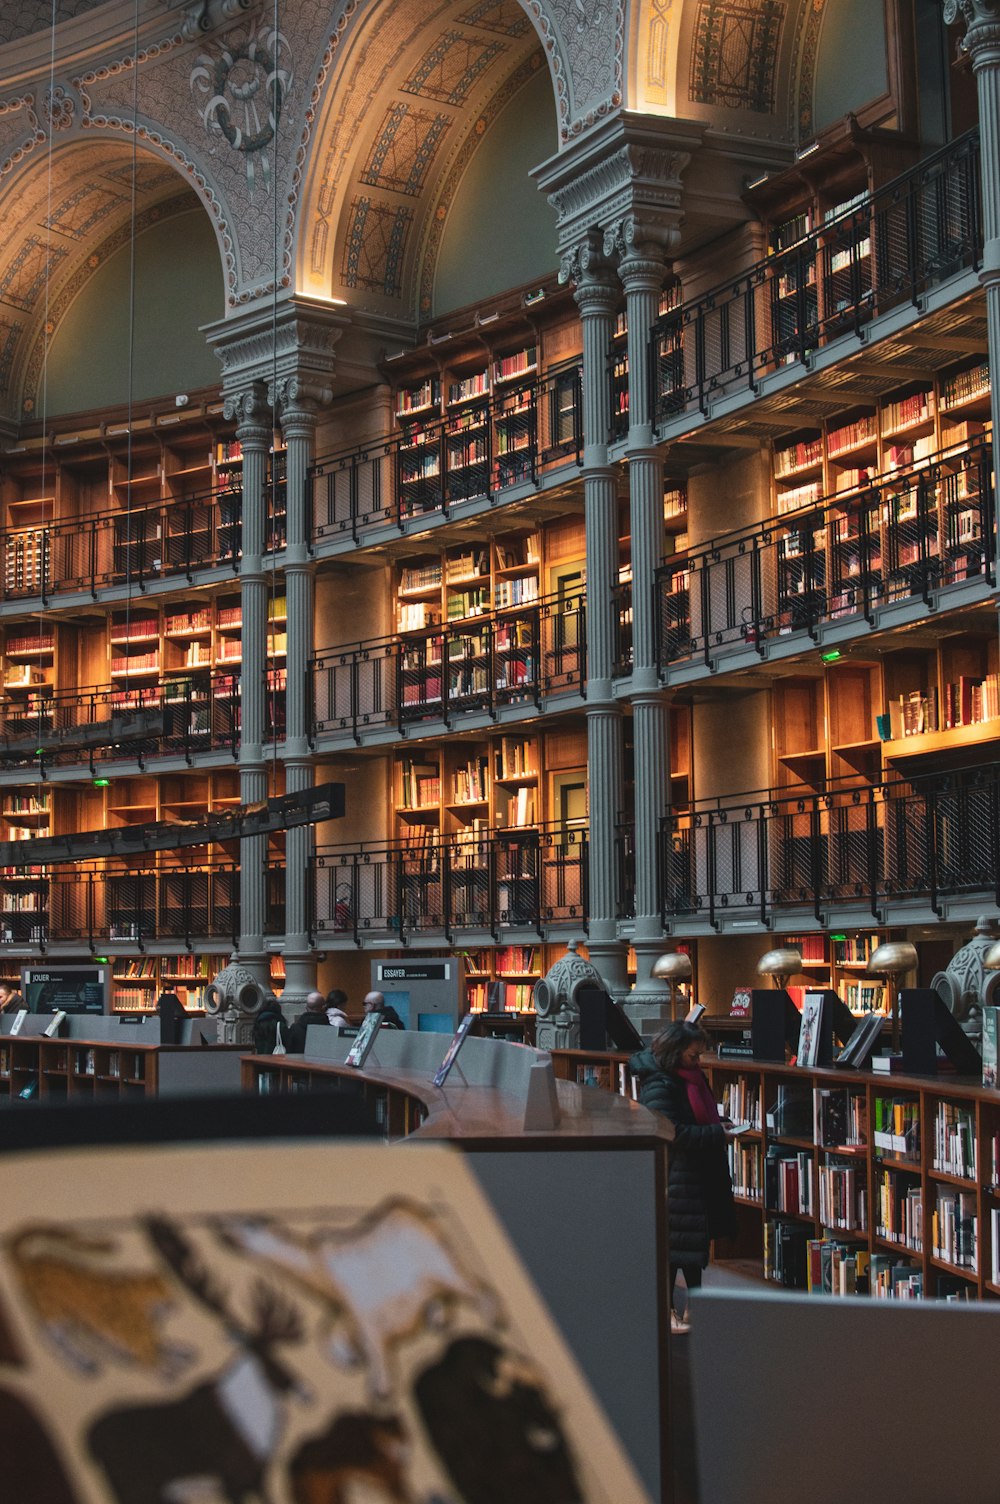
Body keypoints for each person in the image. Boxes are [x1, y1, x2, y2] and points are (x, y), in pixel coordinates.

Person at [629, 1020, 738, 1335]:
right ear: (674, 1054)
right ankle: (667, 1311)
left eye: (700, 1055)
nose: (699, 1062)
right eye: (693, 1056)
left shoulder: (691, 1077)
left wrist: (719, 1125)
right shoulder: (659, 1084)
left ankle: (694, 1306)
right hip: (675, 1174)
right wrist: (715, 1134)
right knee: (674, 1248)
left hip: (698, 1172)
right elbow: (672, 1132)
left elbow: (697, 1117)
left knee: (694, 1246)